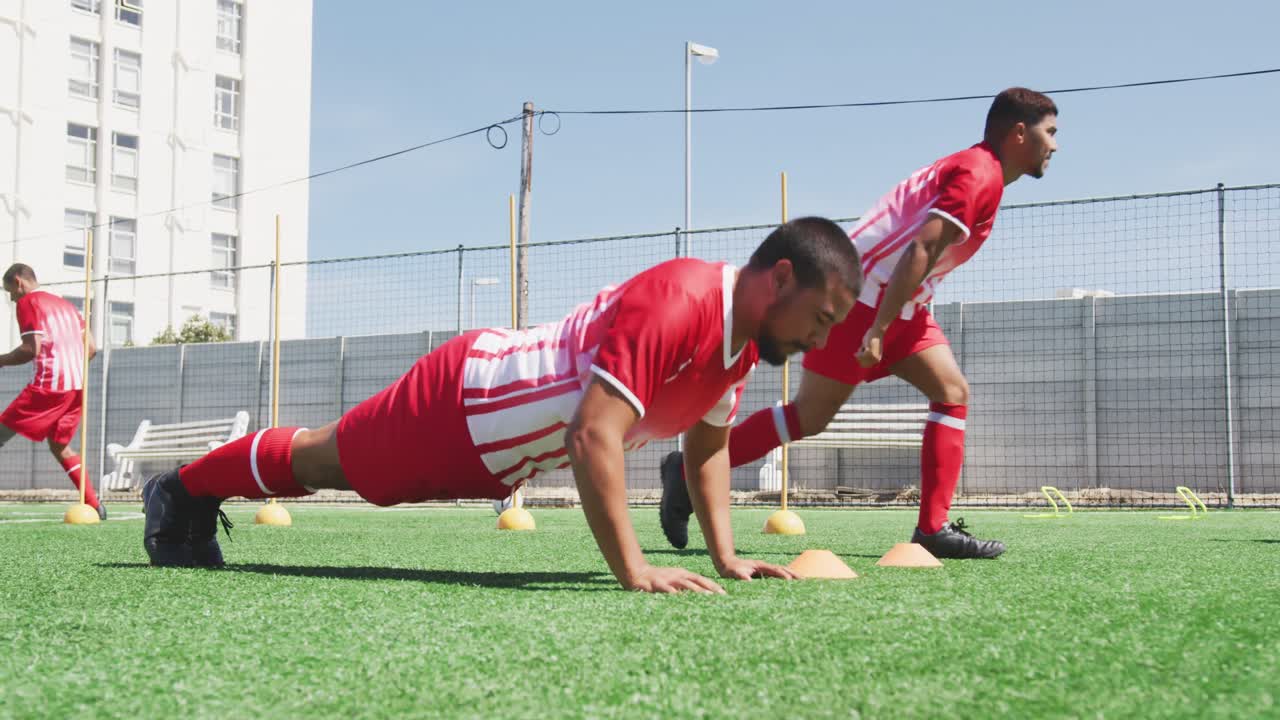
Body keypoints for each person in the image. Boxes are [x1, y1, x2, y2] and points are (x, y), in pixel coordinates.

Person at [143, 217, 862, 593]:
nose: (819, 340)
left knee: (338, 467)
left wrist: (728, 557)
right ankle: (179, 492)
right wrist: (635, 570)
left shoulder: (741, 349)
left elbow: (707, 449)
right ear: (781, 278)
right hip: (461, 404)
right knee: (326, 461)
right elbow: (592, 435)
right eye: (821, 319)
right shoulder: (682, 300)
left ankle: (189, 490)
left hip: (496, 451)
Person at [660, 87, 1060, 559]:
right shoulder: (979, 175)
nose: (1055, 145)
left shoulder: (980, 171)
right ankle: (685, 473)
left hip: (899, 304)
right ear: (1019, 132)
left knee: (952, 391)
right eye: (1050, 132)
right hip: (864, 303)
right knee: (809, 417)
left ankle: (933, 529)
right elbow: (921, 249)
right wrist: (877, 329)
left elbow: (918, 252)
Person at [0, 264, 102, 518]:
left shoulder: (28, 302)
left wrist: (0, 360)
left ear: (18, 282)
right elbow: (91, 348)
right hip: (77, 387)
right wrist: (70, 372)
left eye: (9, 292)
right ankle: (95, 505)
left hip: (49, 386)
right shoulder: (66, 305)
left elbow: (30, 349)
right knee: (60, 446)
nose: (11, 298)